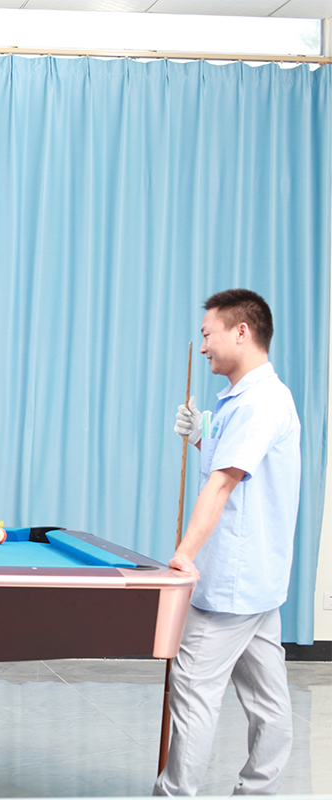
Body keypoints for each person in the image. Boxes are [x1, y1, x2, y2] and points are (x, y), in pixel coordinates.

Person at [155, 289, 300, 796]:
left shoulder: (260, 402)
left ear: (241, 331)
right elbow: (233, 461)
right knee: (268, 700)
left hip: (230, 586)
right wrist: (200, 435)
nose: (202, 347)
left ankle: (175, 795)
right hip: (259, 583)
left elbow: (223, 483)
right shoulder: (251, 398)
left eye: (207, 335)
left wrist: (184, 554)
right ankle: (257, 793)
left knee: (193, 692)